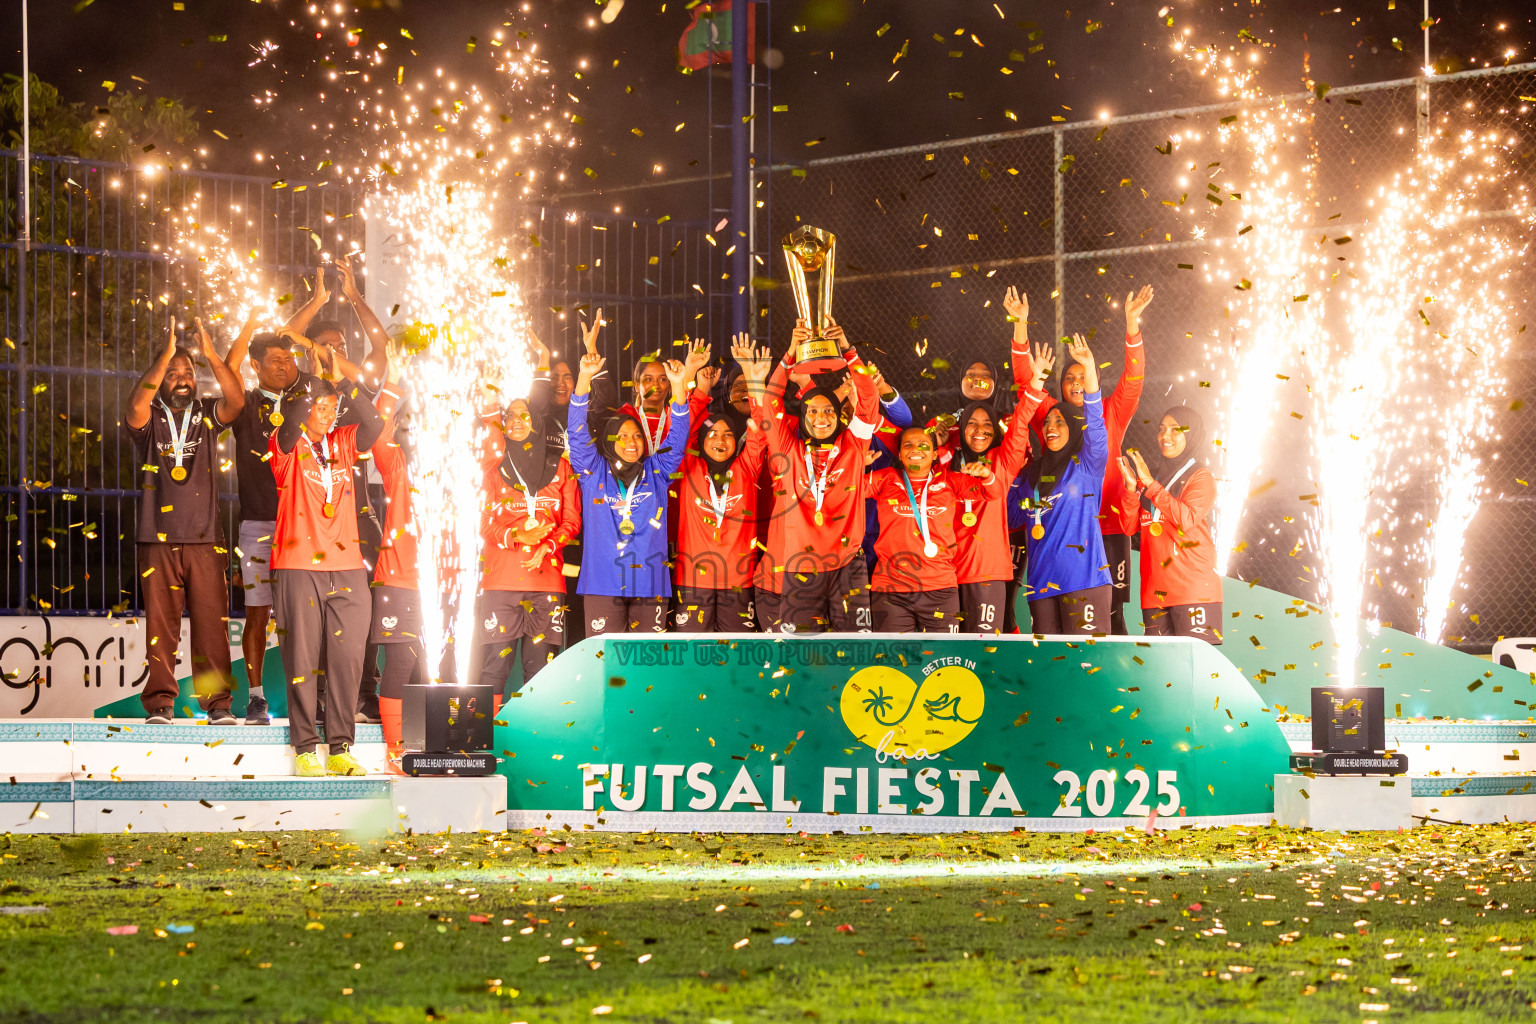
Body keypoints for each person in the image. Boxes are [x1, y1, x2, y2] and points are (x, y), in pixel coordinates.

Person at [269, 344, 384, 776]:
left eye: (331, 406)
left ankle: (340, 747)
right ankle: (304, 748)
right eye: (318, 405)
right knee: (301, 658)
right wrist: (312, 384)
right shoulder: (284, 445)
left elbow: (373, 421)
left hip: (349, 565)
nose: (325, 412)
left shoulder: (343, 442)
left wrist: (342, 383)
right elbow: (291, 421)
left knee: (348, 657)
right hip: (298, 564)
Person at [125, 320, 247, 724]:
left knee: (212, 625)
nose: (181, 380)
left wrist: (211, 355)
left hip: (205, 537)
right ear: (161, 379)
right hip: (155, 538)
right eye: (173, 374)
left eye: (188, 374)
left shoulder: (208, 413)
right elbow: (135, 406)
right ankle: (161, 703)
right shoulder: (151, 417)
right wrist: (166, 354)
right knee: (161, 626)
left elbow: (237, 400)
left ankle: (217, 705)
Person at [288, 257, 392, 723]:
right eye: (325, 347)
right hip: (305, 519)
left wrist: (352, 296)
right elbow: (281, 337)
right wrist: (316, 305)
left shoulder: (352, 397)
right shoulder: (298, 400)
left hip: (355, 518)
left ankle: (359, 697)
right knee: (308, 625)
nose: (333, 352)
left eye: (340, 346)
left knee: (357, 615)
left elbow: (383, 346)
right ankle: (313, 710)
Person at [1031, 285, 1155, 633]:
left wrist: (1132, 326)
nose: (1075, 381)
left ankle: (1117, 683)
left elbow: (1133, 380)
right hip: (1064, 527)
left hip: (1109, 524)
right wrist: (1021, 331)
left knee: (1113, 614)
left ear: (1093, 379)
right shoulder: (1050, 417)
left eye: (1081, 375)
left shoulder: (1109, 411)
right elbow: (1026, 381)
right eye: (1068, 377)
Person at [751, 323, 881, 634]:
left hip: (847, 565)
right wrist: (790, 354)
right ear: (804, 418)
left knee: (854, 648)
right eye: (812, 412)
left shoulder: (852, 446)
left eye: (828, 412)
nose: (820, 418)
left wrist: (849, 350)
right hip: (800, 567)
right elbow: (770, 404)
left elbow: (868, 399)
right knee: (799, 651)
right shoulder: (788, 449)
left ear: (839, 417)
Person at [568, 343, 702, 634]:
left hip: (650, 582)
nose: (631, 441)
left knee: (647, 665)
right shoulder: (592, 473)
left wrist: (679, 387)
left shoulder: (657, 471)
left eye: (637, 436)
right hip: (603, 581)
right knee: (605, 663)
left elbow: (678, 439)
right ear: (609, 440)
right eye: (623, 435)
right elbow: (576, 435)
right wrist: (583, 379)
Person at [475, 390, 582, 692]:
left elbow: (572, 521)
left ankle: (536, 738)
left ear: (536, 422)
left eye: (524, 415)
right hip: (501, 583)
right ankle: (490, 737)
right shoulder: (493, 469)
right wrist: (516, 535)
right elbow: (482, 522)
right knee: (495, 666)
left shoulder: (561, 468)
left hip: (546, 582)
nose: (516, 421)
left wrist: (548, 545)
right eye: (510, 415)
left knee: (542, 669)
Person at [951, 342, 1055, 633]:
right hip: (950, 562)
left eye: (987, 424)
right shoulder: (945, 449)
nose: (980, 429)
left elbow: (1022, 421)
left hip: (997, 549)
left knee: (997, 628)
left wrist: (1035, 383)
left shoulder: (1003, 459)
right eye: (971, 423)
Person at [866, 427, 1006, 632]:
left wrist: (986, 474)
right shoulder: (886, 478)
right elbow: (842, 491)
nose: (916, 449)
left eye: (923, 445)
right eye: (908, 445)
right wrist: (856, 465)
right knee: (894, 662)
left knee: (941, 661)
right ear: (899, 453)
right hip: (891, 590)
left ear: (934, 454)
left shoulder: (949, 480)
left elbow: (993, 493)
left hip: (940, 589)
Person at [673, 335, 770, 632]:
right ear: (701, 441)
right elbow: (683, 429)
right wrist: (698, 386)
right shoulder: (690, 466)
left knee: (736, 658)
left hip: (738, 581)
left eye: (727, 434)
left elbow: (759, 431)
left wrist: (755, 382)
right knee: (689, 659)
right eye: (712, 433)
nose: (720, 439)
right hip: (691, 581)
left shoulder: (747, 467)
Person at [1023, 335, 1112, 635]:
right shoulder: (1030, 476)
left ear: (1075, 425)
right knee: (1048, 670)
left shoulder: (1087, 465)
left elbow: (1097, 428)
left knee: (1086, 670)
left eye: (1060, 421)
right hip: (1041, 585)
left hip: (1085, 580)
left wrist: (1089, 370)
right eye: (1047, 422)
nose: (1051, 427)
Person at [1118, 406, 1223, 643]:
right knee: (1162, 670)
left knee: (1194, 667)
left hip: (1193, 590)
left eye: (1176, 430)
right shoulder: (1151, 476)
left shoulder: (1201, 477)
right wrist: (1131, 489)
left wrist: (1150, 485)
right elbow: (1128, 527)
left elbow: (1186, 518)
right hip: (1155, 591)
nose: (1165, 436)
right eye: (1162, 429)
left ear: (1192, 433)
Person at [367, 357, 417, 771]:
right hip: (399, 580)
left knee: (442, 663)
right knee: (402, 662)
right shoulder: (398, 464)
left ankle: (436, 742)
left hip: (446, 585)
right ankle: (395, 748)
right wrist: (394, 383)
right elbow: (378, 431)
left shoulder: (463, 478)